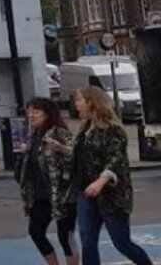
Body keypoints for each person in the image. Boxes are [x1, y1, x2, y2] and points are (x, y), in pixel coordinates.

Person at [69, 86, 154, 265]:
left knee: (121, 243)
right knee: (88, 241)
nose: (76, 105)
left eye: (79, 100)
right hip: (85, 193)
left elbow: (115, 159)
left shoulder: (113, 129)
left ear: (91, 102)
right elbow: (83, 156)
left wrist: (101, 181)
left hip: (111, 196)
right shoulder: (84, 128)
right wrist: (61, 149)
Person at [17, 97, 76, 265]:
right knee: (35, 232)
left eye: (36, 111)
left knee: (65, 237)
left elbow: (75, 156)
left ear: (48, 114)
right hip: (40, 195)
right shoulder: (33, 135)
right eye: (29, 111)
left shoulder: (59, 132)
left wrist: (61, 148)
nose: (31, 115)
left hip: (62, 194)